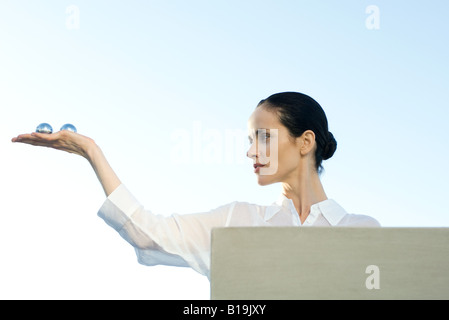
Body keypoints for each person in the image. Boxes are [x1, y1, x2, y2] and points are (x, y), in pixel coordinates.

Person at [11, 91, 380, 279]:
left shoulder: (363, 232)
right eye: (250, 140)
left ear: (305, 142)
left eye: (263, 138)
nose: (251, 151)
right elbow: (148, 234)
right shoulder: (238, 221)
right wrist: (91, 152)